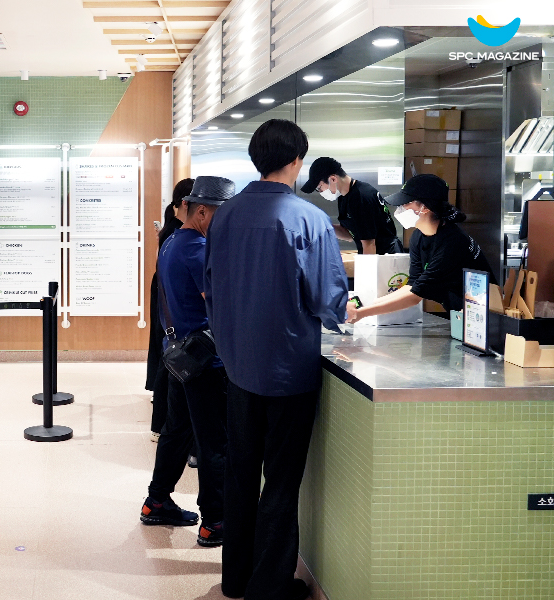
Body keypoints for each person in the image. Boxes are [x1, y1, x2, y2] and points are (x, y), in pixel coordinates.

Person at [205, 120, 348, 600]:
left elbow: (212, 286)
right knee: (281, 483)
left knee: (241, 473)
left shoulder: (225, 215)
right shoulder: (307, 218)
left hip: (238, 366)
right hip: (289, 371)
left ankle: (236, 578)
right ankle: (268, 588)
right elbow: (328, 300)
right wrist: (344, 313)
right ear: (297, 160)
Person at [141, 175, 235, 548]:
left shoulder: (172, 242)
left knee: (177, 432)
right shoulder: (199, 249)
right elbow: (220, 304)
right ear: (202, 212)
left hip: (178, 357)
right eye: (222, 215)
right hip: (204, 364)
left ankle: (156, 501)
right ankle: (215, 521)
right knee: (215, 443)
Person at [346, 173, 496, 322]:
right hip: (461, 313)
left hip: (485, 315)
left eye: (405, 203)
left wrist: (362, 313)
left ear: (425, 207)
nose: (400, 208)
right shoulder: (418, 236)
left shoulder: (452, 243)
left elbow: (415, 296)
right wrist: (364, 305)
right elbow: (412, 284)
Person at [146, 178, 194, 441]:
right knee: (170, 363)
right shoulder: (179, 235)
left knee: (167, 359)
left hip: (168, 302)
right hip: (172, 305)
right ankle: (161, 426)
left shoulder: (173, 232)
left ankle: (161, 426)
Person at [300, 156, 403, 255]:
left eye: (319, 188)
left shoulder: (361, 197)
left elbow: (369, 244)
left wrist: (365, 268)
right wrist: (324, 226)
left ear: (333, 179)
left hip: (385, 256)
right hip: (372, 254)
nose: (320, 192)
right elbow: (350, 234)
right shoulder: (344, 197)